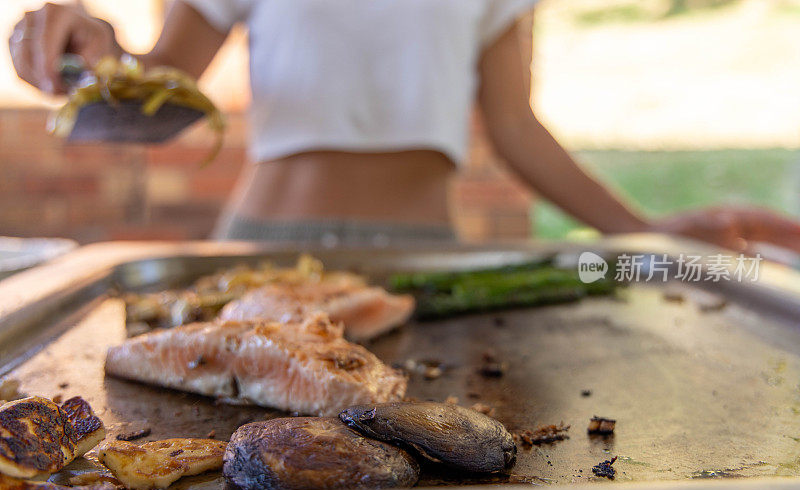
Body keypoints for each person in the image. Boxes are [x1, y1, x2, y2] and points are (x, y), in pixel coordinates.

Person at [9, 1, 800, 251]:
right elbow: (152, 105)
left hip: (425, 260)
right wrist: (84, 52)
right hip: (262, 247)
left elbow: (516, 129)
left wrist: (643, 238)